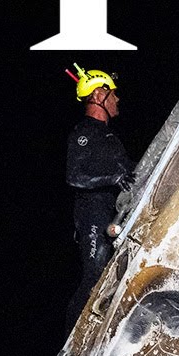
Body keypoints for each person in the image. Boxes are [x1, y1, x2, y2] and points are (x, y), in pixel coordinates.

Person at [65, 64, 136, 331]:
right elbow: (75, 176)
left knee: (112, 276)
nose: (117, 99)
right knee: (94, 274)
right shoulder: (85, 132)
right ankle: (69, 342)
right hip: (92, 215)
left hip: (112, 215)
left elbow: (131, 171)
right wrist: (113, 179)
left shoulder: (110, 137)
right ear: (98, 96)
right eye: (112, 93)